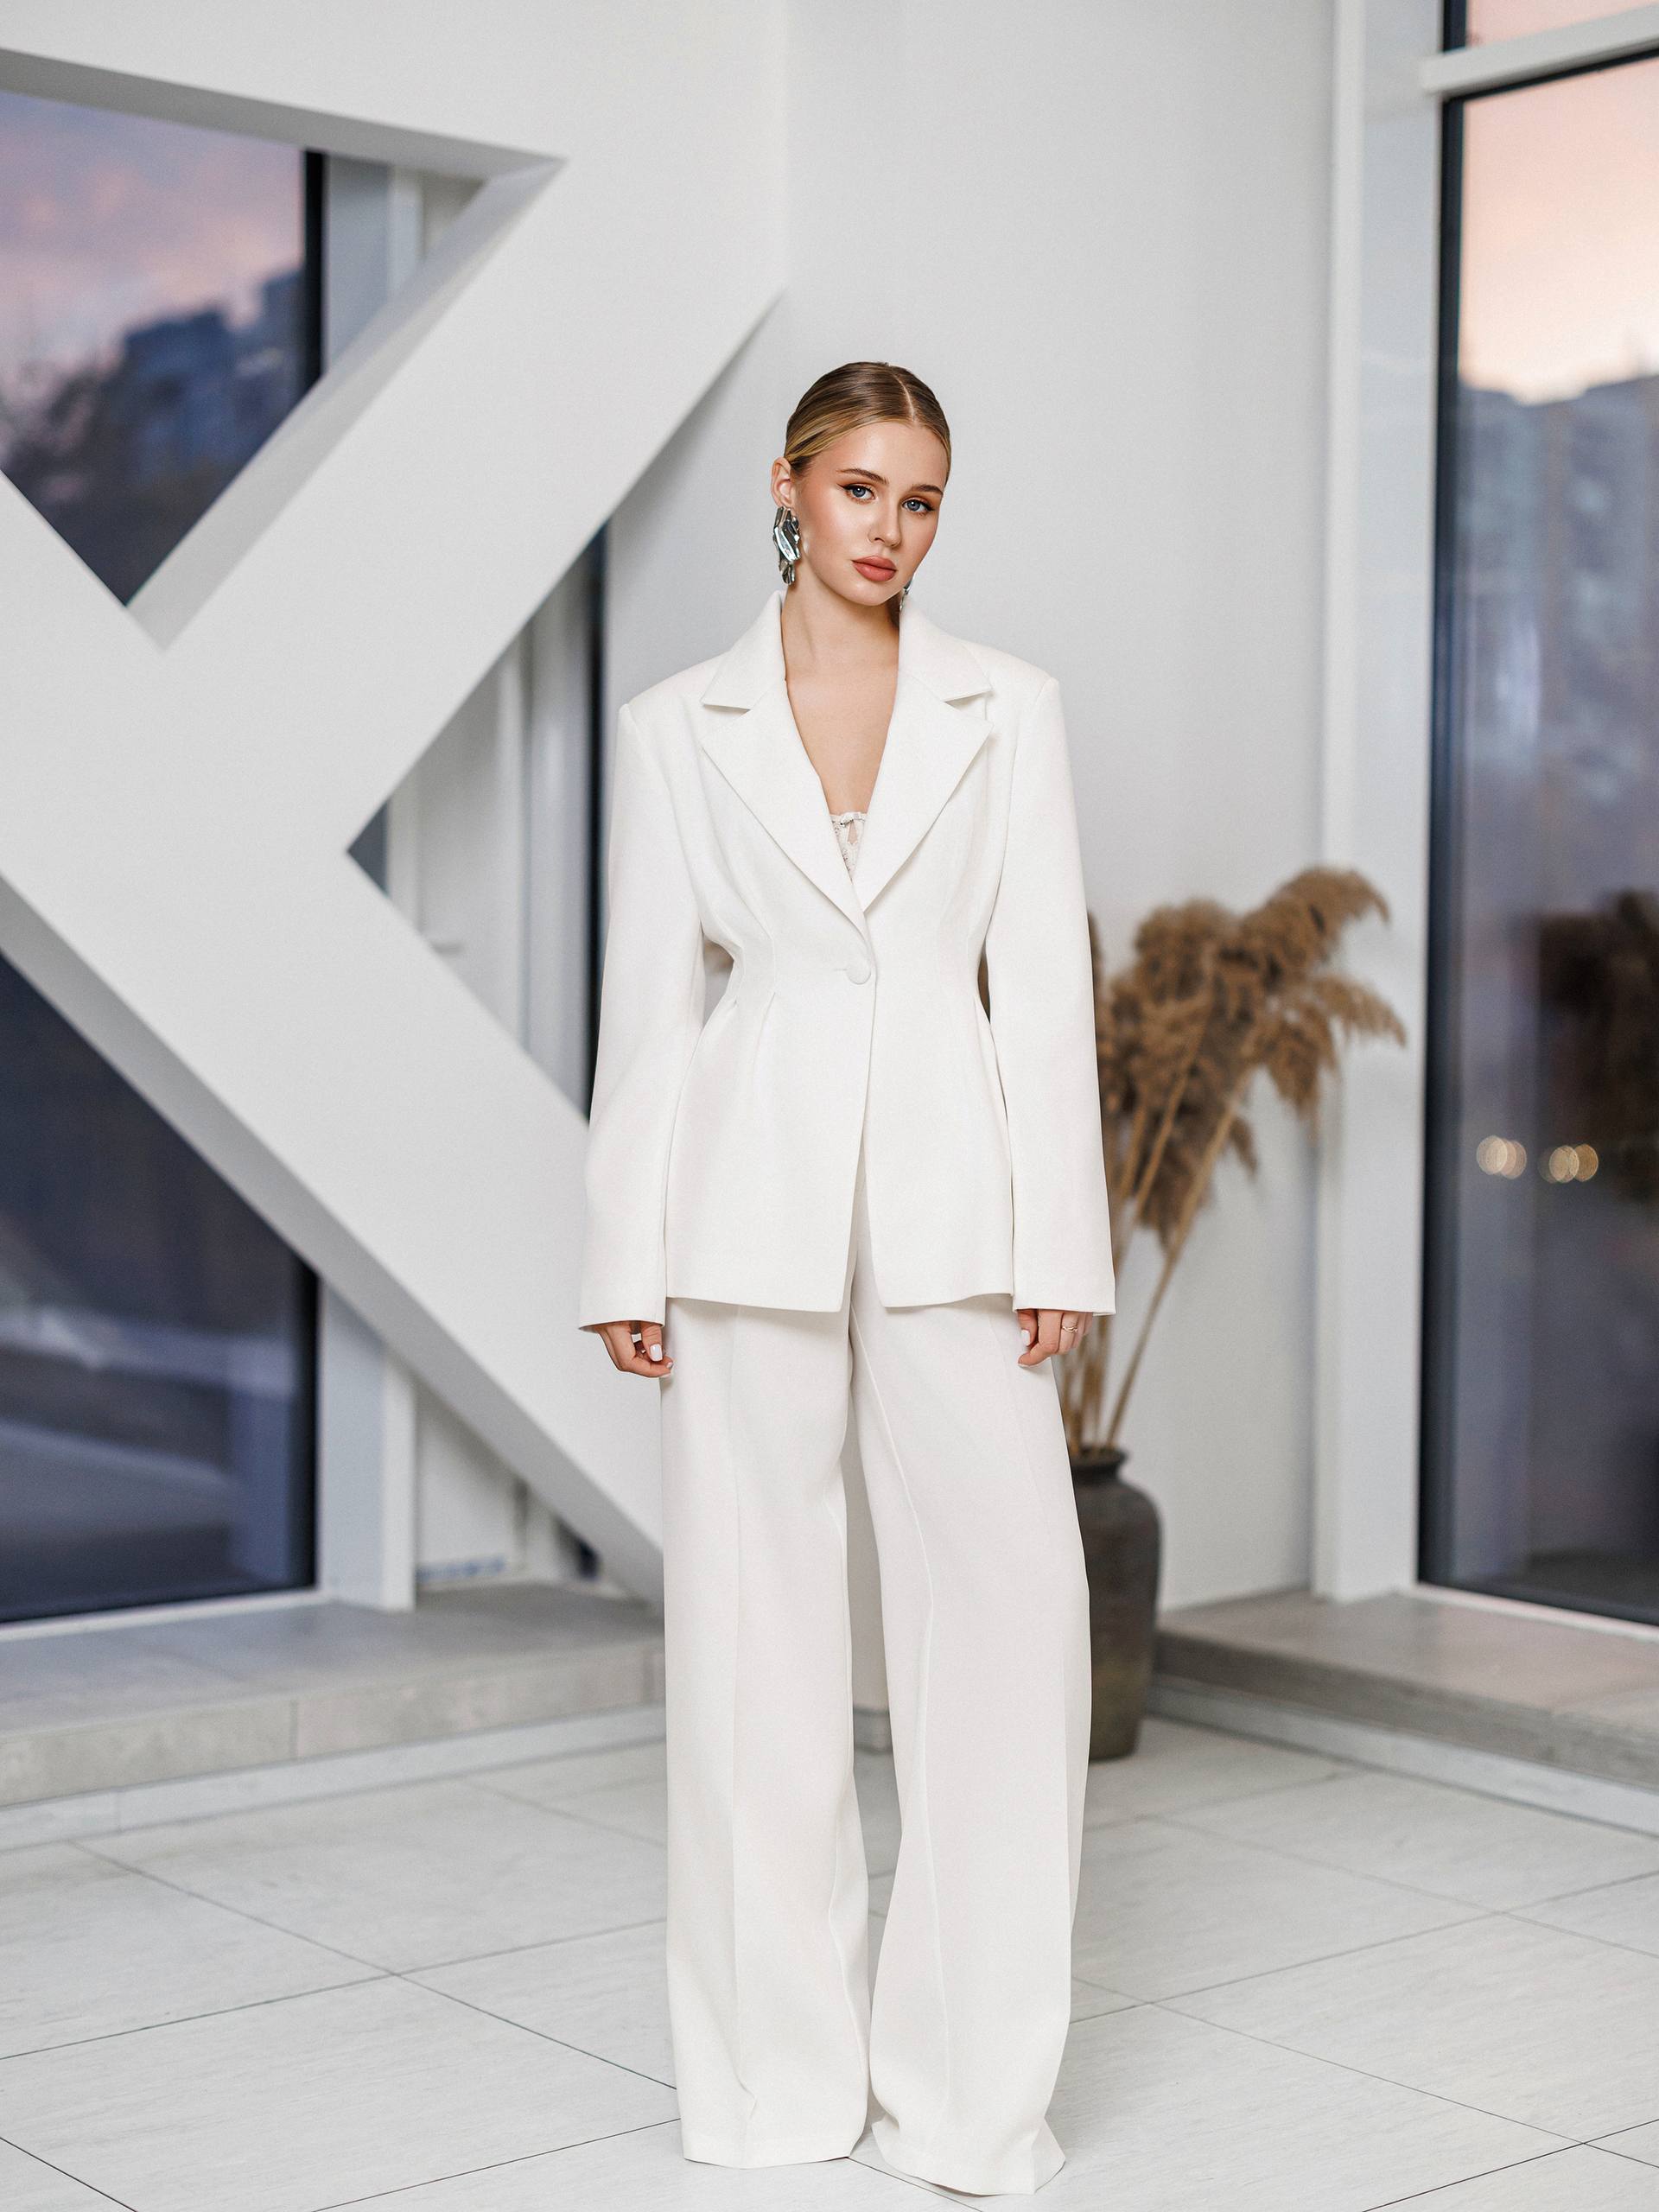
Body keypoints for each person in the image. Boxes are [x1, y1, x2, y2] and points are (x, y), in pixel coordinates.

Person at [576, 359, 1116, 2196]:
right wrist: (627, 1242)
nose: (893, 529)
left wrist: (1061, 1237)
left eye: (925, 499)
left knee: (1011, 1633)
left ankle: (972, 2099)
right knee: (751, 1649)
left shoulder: (1009, 707)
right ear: (790, 486)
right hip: (742, 1211)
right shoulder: (677, 724)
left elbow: (1043, 990)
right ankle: (771, 2094)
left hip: (965, 1211)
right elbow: (650, 1004)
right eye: (864, 488)